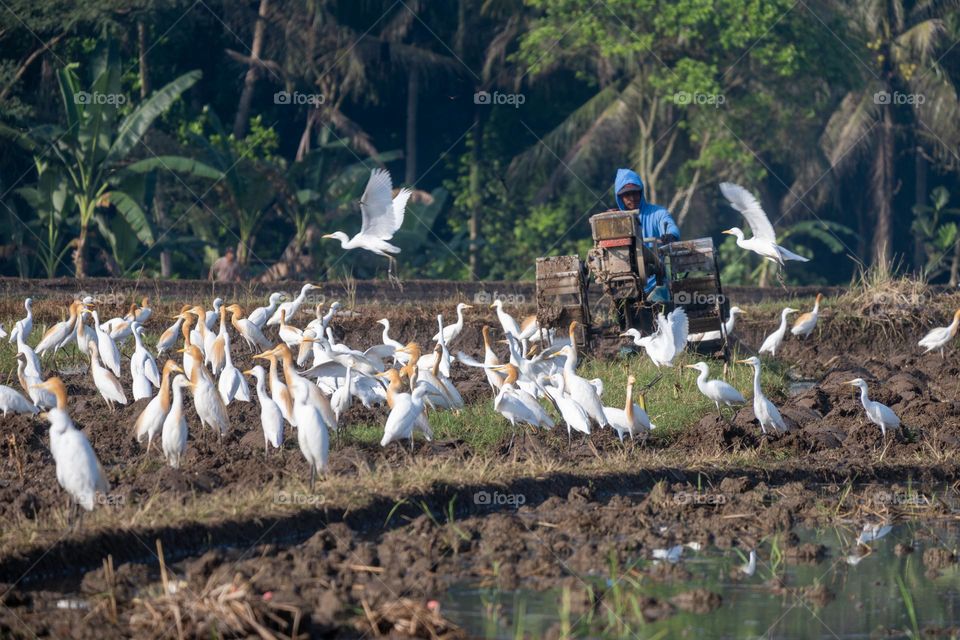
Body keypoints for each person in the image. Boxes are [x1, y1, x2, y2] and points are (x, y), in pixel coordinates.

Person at [613, 168, 680, 243]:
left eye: (635, 193)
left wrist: (671, 235)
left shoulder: (659, 213)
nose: (632, 198)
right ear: (620, 197)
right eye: (627, 194)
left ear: (641, 193)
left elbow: (670, 227)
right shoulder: (613, 220)